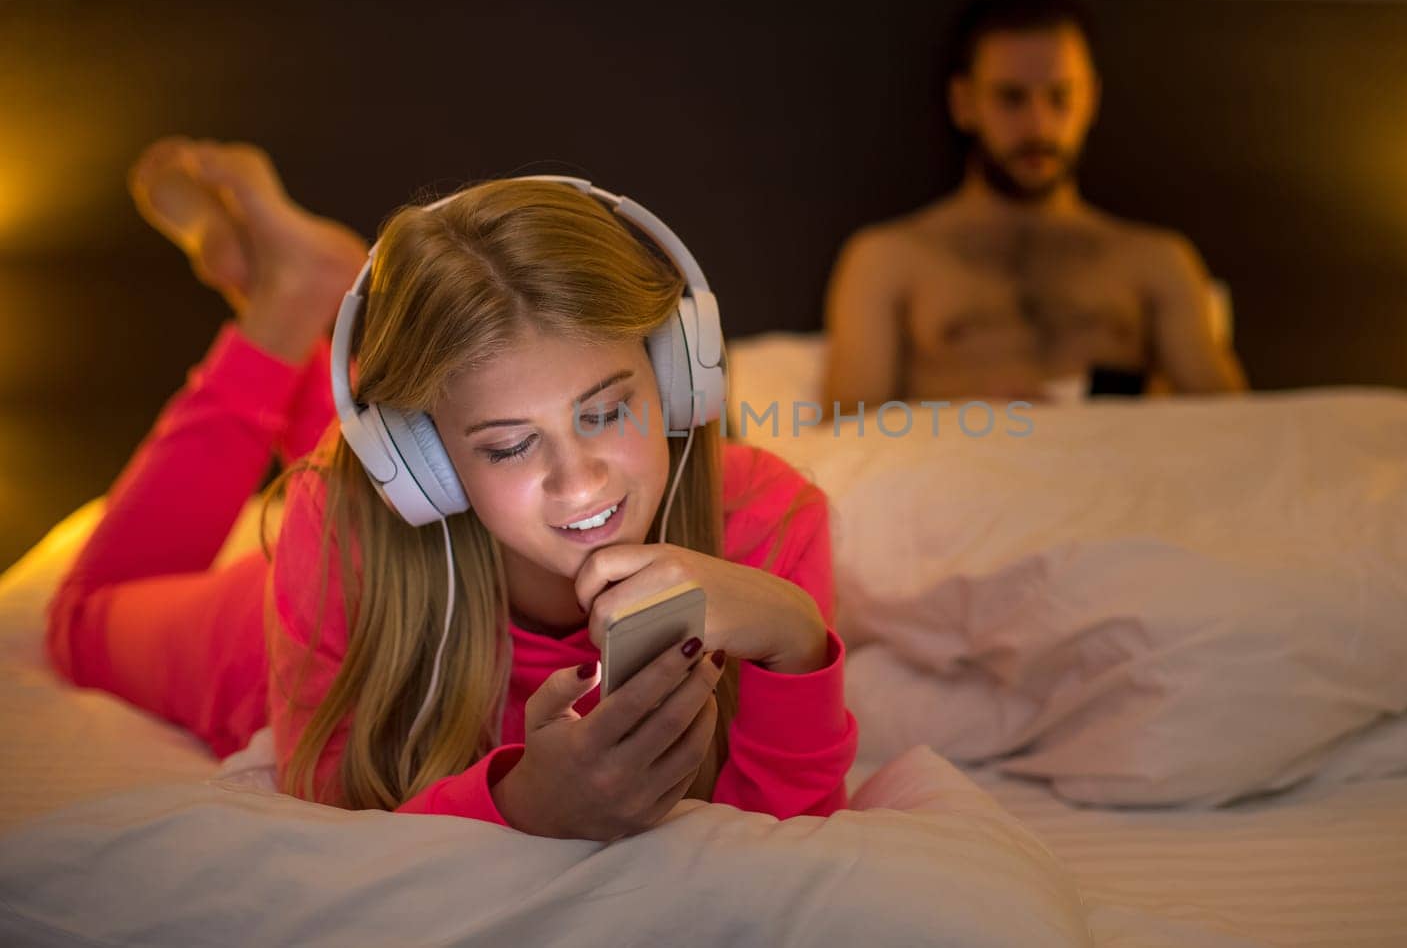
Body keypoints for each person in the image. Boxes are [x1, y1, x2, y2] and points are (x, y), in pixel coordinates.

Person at [46, 137, 857, 840]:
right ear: (420, 463)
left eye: (607, 410)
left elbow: (782, 844)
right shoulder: (346, 531)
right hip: (304, 618)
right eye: (508, 446)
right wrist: (525, 804)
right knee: (79, 625)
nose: (579, 481)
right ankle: (284, 310)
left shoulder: (769, 518)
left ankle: (316, 296)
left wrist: (795, 638)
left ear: (680, 377)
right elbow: (328, 803)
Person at [823, 0, 1247, 409]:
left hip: (1120, 466)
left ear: (1091, 100)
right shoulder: (888, 260)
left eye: (1060, 98)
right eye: (1011, 98)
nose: (1038, 126)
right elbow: (849, 430)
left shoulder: (1157, 261)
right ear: (964, 103)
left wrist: (1141, 402)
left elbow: (1230, 427)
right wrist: (973, 413)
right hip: (963, 468)